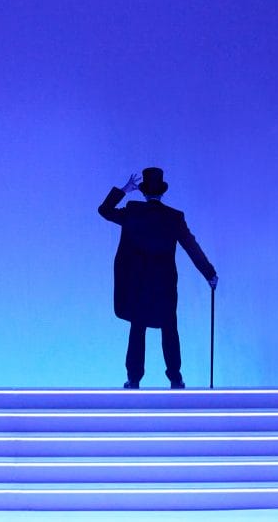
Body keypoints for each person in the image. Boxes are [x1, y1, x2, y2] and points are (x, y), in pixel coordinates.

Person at [99, 167, 218, 389]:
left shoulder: (133, 212)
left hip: (139, 283)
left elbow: (104, 210)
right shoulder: (173, 217)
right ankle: (175, 377)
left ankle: (134, 379)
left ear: (143, 192)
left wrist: (124, 190)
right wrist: (209, 273)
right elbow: (192, 247)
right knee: (169, 328)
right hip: (164, 285)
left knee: (138, 328)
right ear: (162, 192)